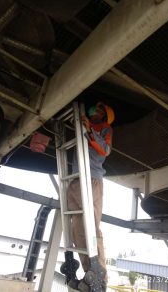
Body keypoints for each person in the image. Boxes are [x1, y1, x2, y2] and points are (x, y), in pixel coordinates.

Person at [67, 101, 114, 291]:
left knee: (92, 227)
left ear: (105, 115)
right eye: (95, 108)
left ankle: (100, 278)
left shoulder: (105, 130)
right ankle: (89, 273)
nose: (95, 110)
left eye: (100, 110)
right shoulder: (84, 124)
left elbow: (105, 150)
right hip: (76, 179)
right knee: (78, 228)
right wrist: (83, 126)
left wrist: (89, 131)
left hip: (92, 179)